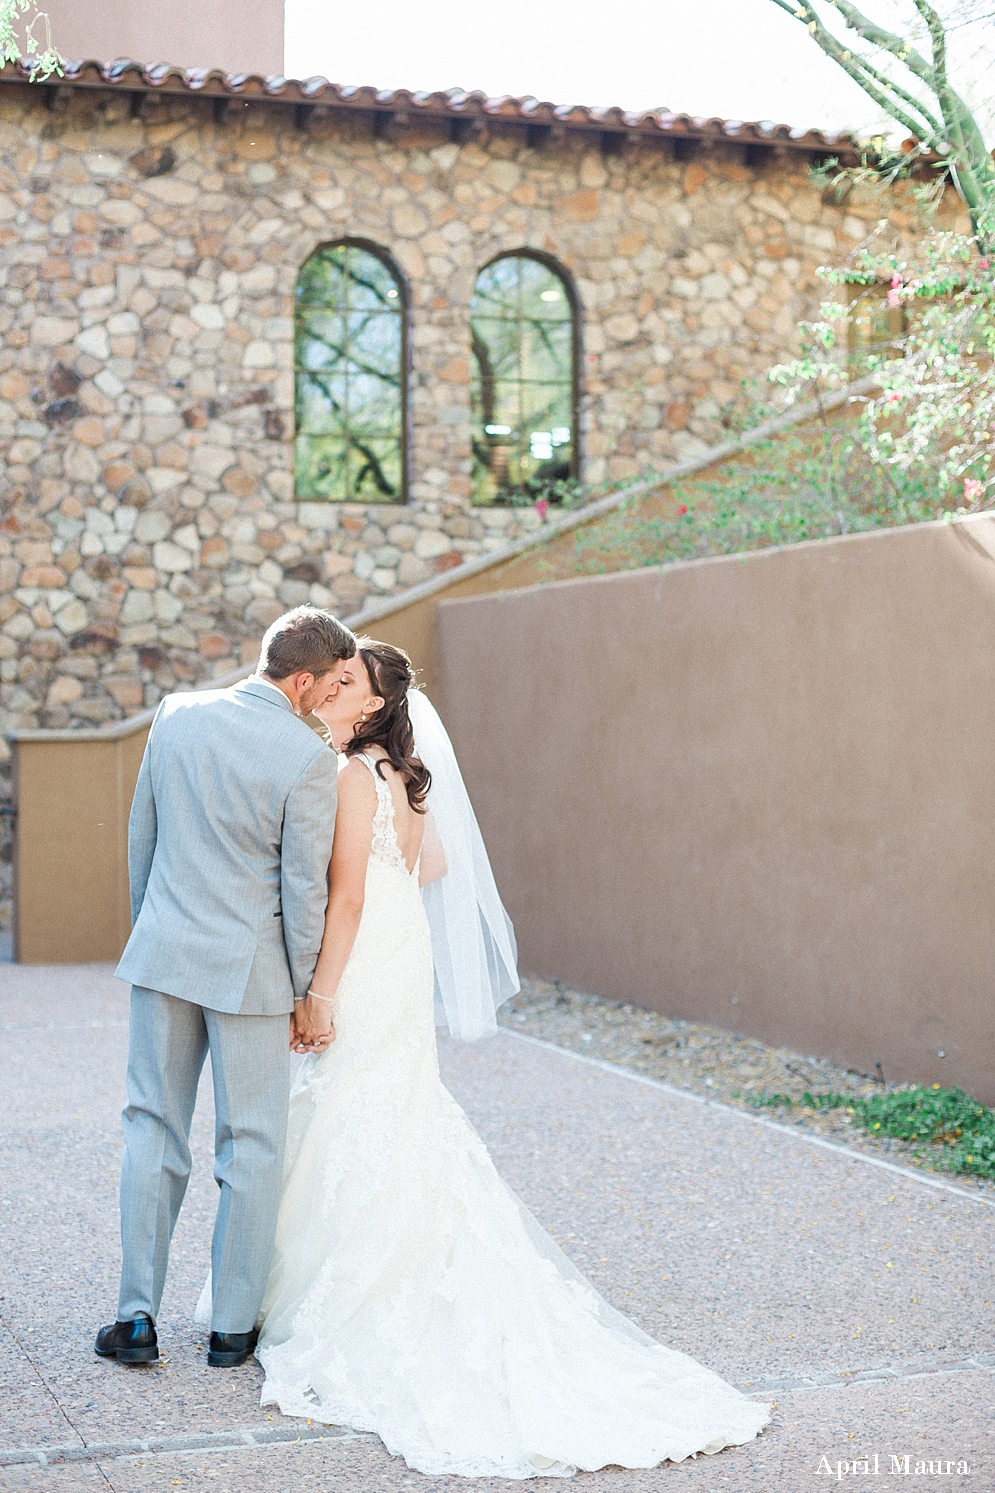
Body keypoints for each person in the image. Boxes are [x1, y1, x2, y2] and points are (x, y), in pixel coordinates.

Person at [247, 638, 770, 1478]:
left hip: (367, 956)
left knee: (350, 1096)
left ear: (376, 704)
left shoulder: (350, 776)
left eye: (352, 682)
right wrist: (387, 881)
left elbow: (344, 897)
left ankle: (346, 1285)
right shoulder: (404, 777)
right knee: (392, 1099)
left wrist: (322, 993)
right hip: (403, 948)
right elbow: (436, 862)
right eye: (337, 676)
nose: (337, 688)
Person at [95, 606, 356, 1370]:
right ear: (302, 679)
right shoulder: (305, 756)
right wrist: (307, 990)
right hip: (250, 970)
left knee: (151, 1125)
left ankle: (135, 1319)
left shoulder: (176, 715)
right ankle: (231, 1329)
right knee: (251, 1142)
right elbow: (302, 887)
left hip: (165, 952)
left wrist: (153, 934)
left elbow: (142, 834)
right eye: (331, 683)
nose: (330, 696)